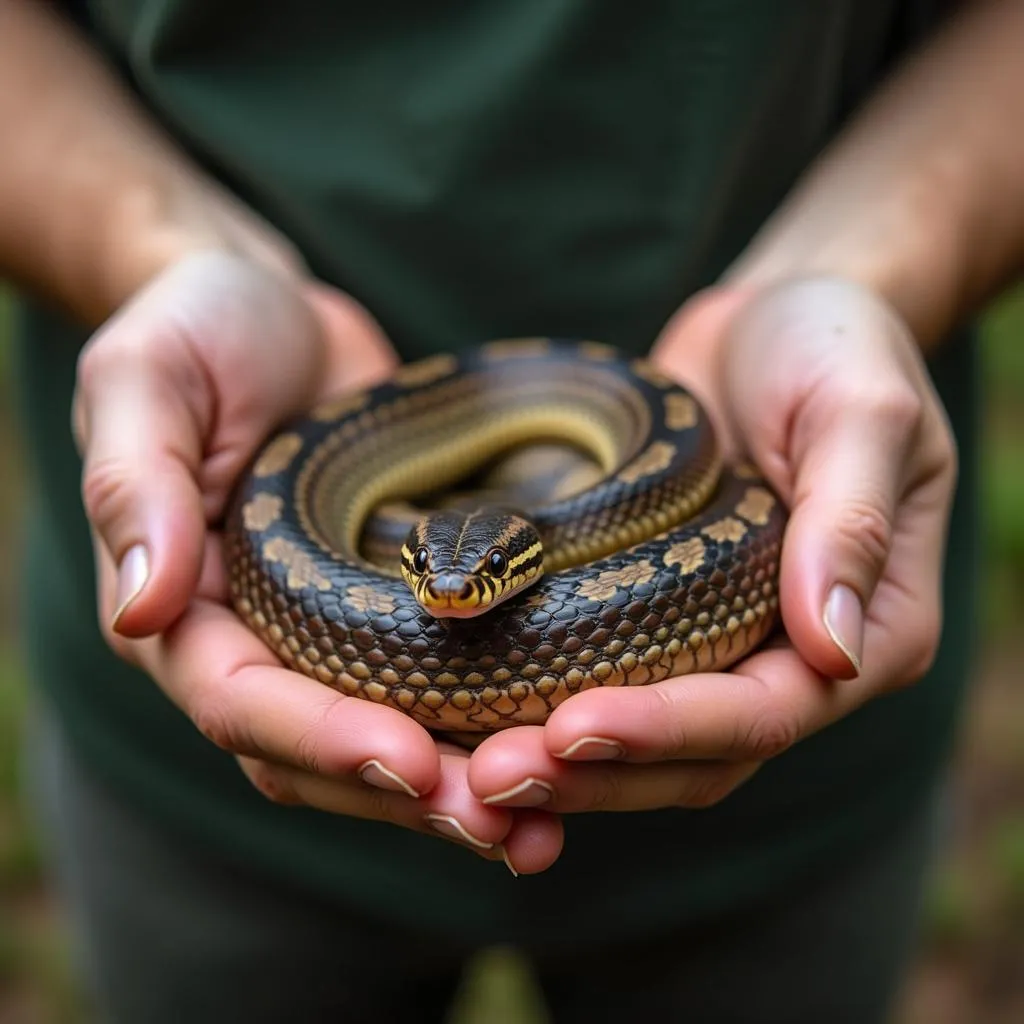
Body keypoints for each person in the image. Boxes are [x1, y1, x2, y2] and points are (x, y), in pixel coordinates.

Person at [1, 0, 1021, 1020]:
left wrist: (858, 278)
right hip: (195, 805)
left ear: (528, 551)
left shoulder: (656, 483)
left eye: (479, 580)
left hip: (793, 820)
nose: (449, 602)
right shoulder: (433, 553)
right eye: (427, 580)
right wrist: (155, 254)